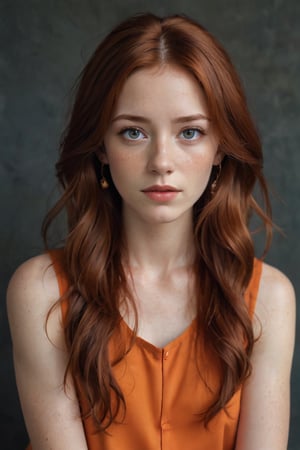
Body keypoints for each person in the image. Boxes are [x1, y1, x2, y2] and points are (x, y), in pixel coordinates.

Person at [7, 12, 295, 450]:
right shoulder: (41, 293)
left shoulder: (268, 299)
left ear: (220, 149)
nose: (162, 160)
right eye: (134, 132)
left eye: (191, 132)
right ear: (101, 147)